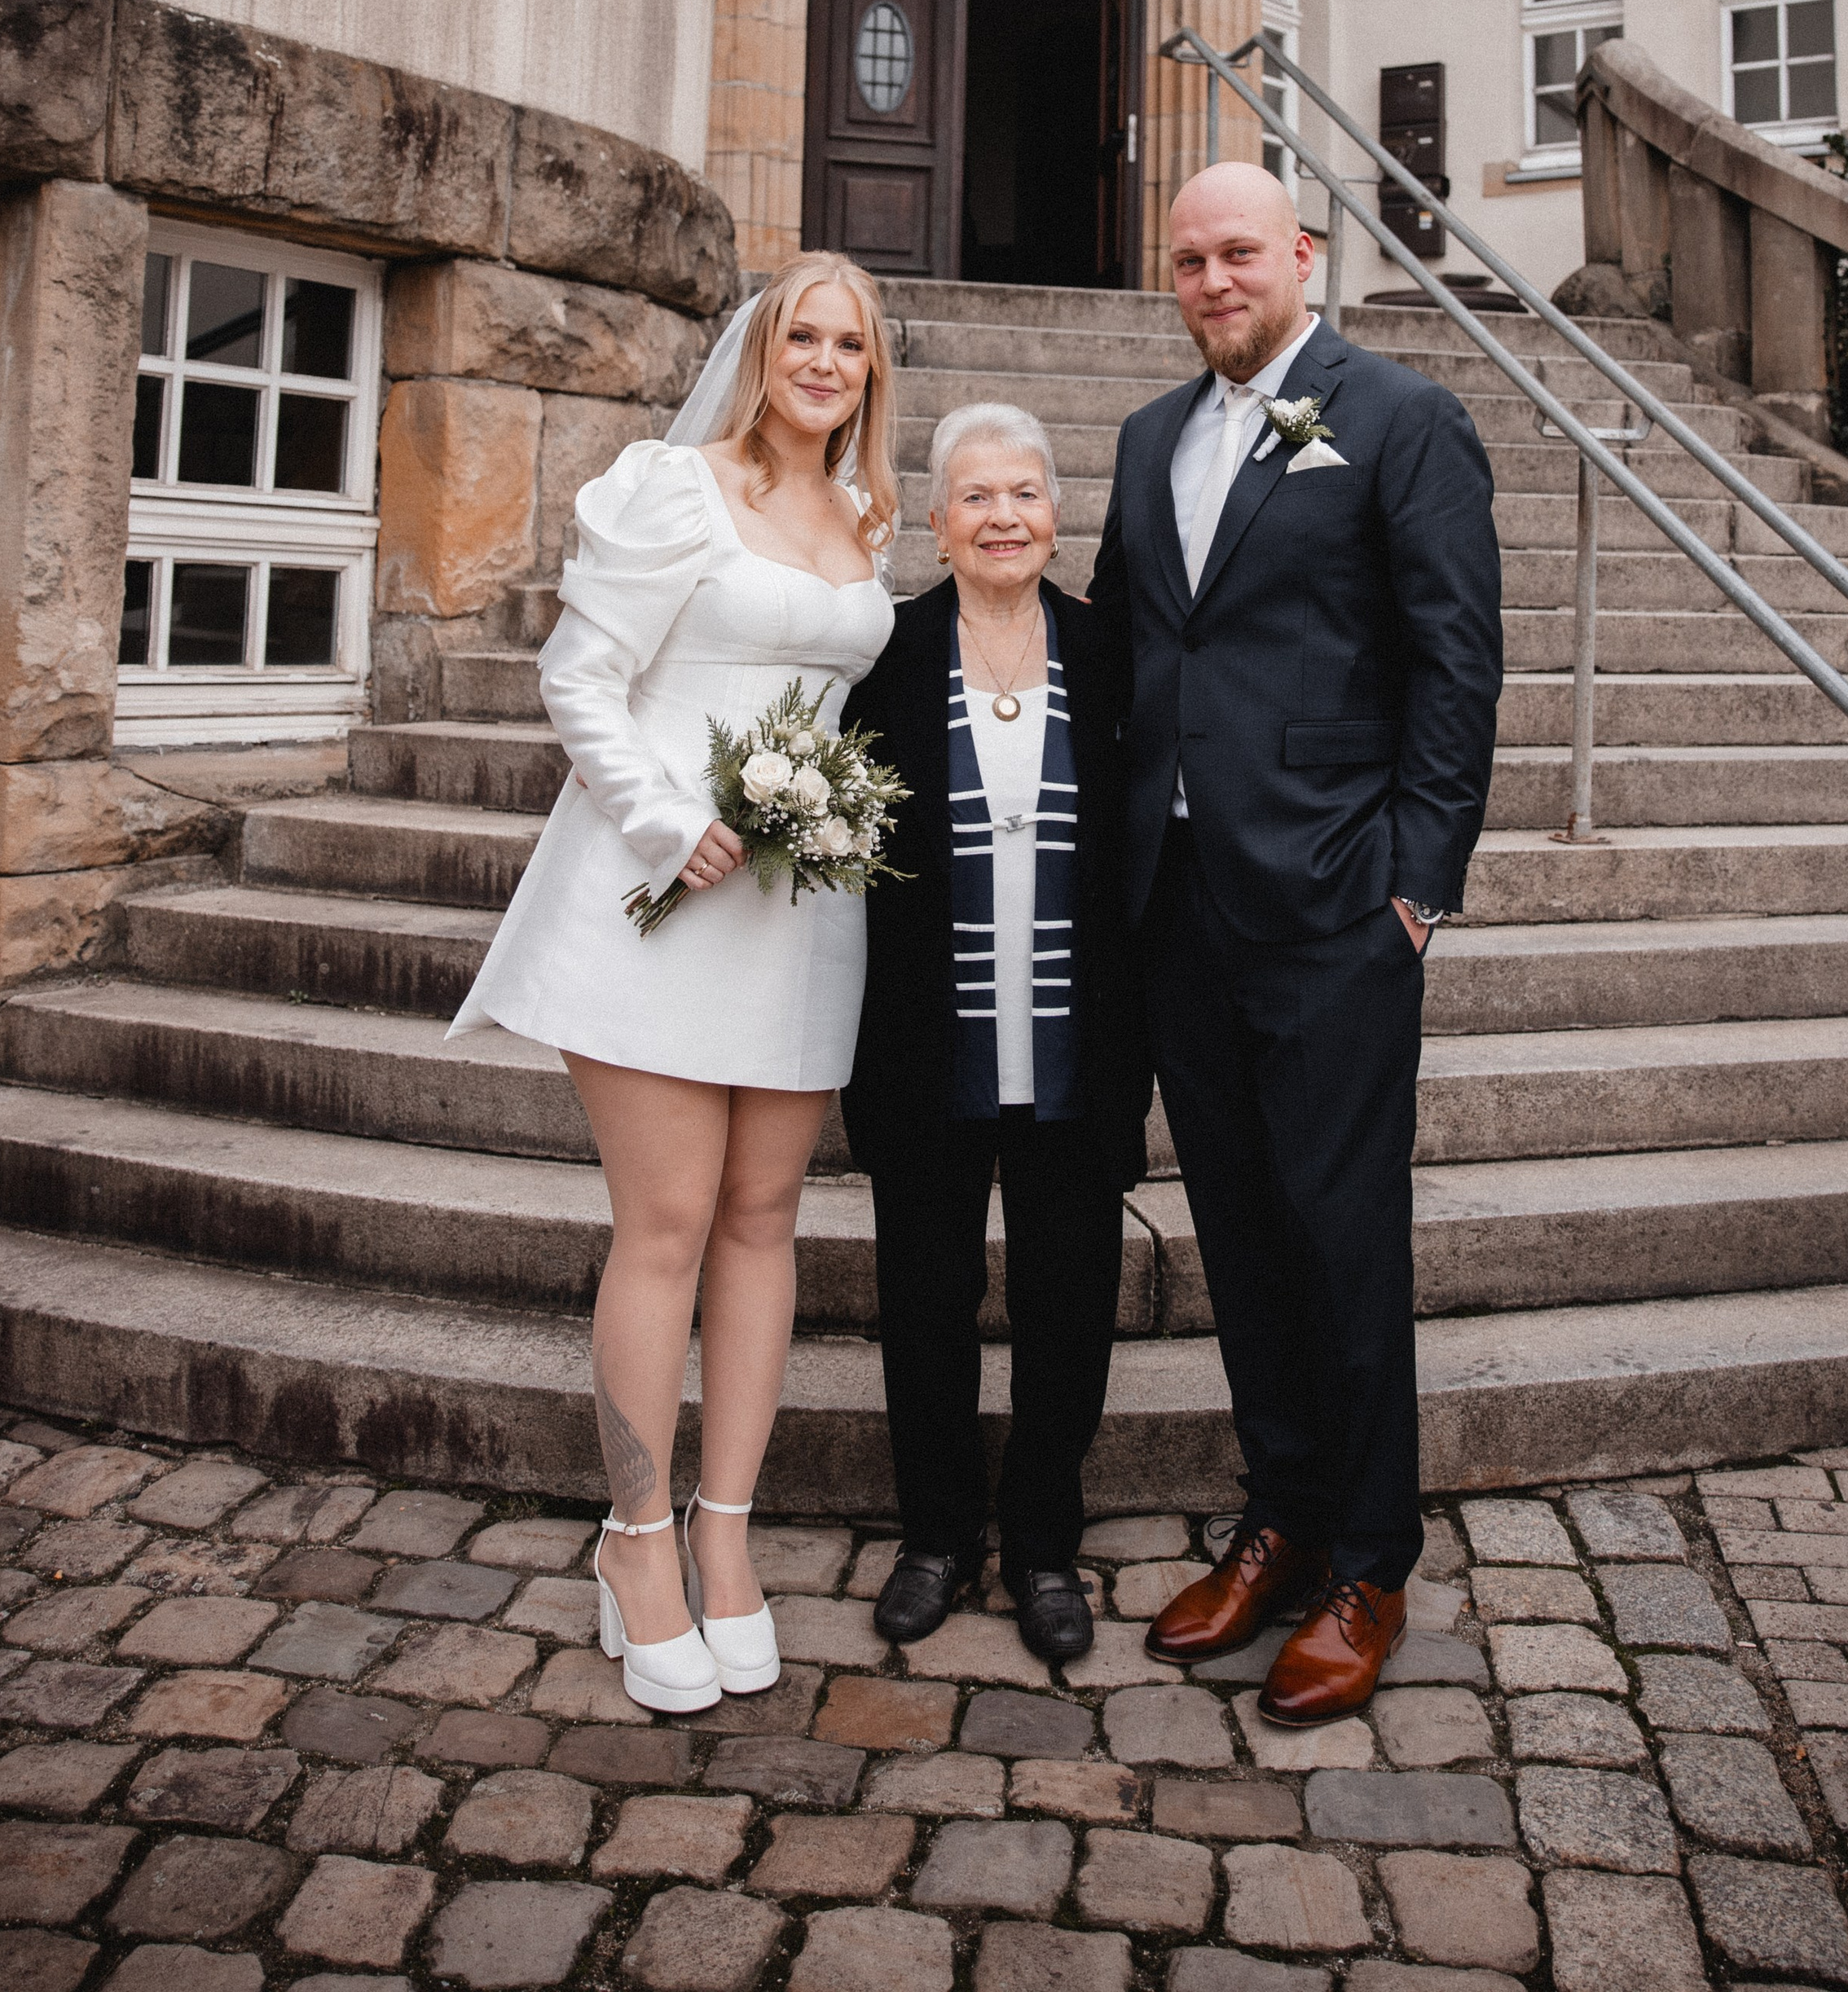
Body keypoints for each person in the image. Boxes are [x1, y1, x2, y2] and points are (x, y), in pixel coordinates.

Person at [449, 255, 898, 1714]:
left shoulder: (867, 515)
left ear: (872, 371)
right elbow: (581, 678)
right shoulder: (671, 485)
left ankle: (726, 1536)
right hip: (657, 896)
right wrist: (667, 821)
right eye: (802, 335)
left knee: (765, 1223)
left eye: (849, 344)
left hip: (801, 912)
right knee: (666, 1225)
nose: (822, 361)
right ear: (761, 348)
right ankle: (633, 1542)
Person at [1090, 163, 1501, 1722]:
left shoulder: (1399, 417)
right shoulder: (1147, 439)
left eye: (1237, 252)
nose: (1210, 280)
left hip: (1336, 906)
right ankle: (1278, 1519)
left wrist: (1417, 885)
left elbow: (1457, 667)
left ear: (1303, 257)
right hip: (1179, 911)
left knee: (1342, 1239)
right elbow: (1132, 651)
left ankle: (1369, 1566)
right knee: (1244, 1239)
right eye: (1187, 260)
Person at [841, 402, 1151, 1667]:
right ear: (936, 521)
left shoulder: (1114, 653)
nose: (1004, 516)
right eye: (977, 497)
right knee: (925, 1299)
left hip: (1079, 1049)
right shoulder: (885, 656)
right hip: (927, 1047)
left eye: (1025, 493)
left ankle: (1040, 1545)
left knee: (1070, 1303)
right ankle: (935, 1536)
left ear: (1057, 513)